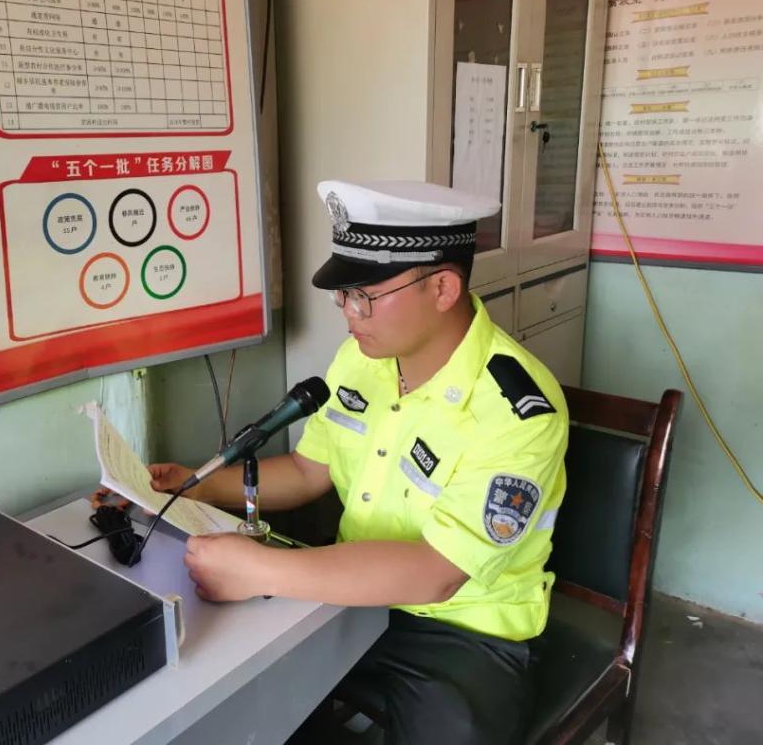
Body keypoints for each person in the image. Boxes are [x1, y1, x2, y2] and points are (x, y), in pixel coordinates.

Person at [149, 180, 569, 745]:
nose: (349, 312)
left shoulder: (517, 411)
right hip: (347, 587)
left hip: (462, 628)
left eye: (365, 296)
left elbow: (438, 573)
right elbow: (308, 471)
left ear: (442, 288)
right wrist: (199, 487)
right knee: (229, 696)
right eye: (343, 294)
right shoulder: (362, 359)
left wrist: (260, 570)